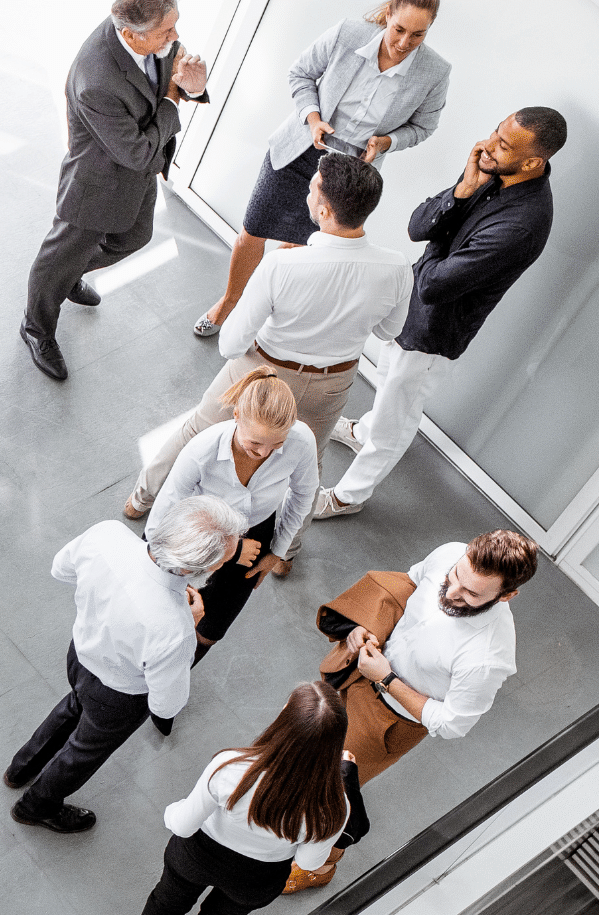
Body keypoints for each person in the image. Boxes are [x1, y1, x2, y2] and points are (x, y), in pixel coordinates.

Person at [122, 152, 407, 566]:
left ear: (323, 209)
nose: (307, 193)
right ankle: (287, 553)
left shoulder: (282, 264)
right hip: (333, 383)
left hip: (262, 371)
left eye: (312, 189)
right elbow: (389, 332)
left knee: (196, 432)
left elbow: (230, 343)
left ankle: (142, 499)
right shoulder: (396, 267)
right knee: (311, 465)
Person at [316, 108, 566, 520]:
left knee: (399, 411)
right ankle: (363, 432)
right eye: (494, 131)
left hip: (436, 329)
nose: (488, 144)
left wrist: (441, 236)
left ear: (533, 162)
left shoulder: (521, 224)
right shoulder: (491, 173)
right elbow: (418, 227)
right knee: (390, 380)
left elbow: (435, 284)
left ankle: (349, 496)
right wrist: (463, 190)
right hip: (414, 309)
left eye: (504, 145)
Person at [193, 1, 448, 338]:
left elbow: (424, 127)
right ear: (388, 15)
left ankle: (257, 307)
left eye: (418, 34)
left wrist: (387, 142)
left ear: (429, 29)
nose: (403, 43)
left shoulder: (434, 71)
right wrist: (313, 118)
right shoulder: (348, 33)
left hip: (347, 176)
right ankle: (230, 301)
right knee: (253, 229)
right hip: (298, 151)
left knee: (302, 248)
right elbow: (300, 74)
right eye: (399, 30)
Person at [297, 530, 533, 888]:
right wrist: (365, 628)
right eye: (456, 577)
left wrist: (387, 679)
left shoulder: (488, 656)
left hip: (386, 721)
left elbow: (452, 724)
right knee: (299, 745)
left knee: (327, 786)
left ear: (508, 595)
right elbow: (410, 582)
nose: (453, 593)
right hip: (354, 673)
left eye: (472, 593)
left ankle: (323, 864)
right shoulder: (451, 553)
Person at [6, 500, 246, 834]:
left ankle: (20, 768)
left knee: (73, 704)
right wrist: (189, 625)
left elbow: (61, 569)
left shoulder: (107, 535)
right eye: (224, 559)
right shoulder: (175, 629)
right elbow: (167, 704)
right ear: (191, 570)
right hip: (117, 696)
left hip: (79, 656)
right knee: (84, 751)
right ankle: (37, 806)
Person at [127, 682, 369, 915]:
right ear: (336, 744)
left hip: (198, 854)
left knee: (167, 900)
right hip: (258, 878)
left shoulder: (230, 766)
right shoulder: (333, 805)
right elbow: (308, 864)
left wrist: (171, 810)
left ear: (284, 716)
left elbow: (183, 825)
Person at [20, 0, 210, 382]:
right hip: (97, 182)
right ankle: (36, 328)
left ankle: (69, 275)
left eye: (175, 27)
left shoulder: (153, 34)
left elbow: (173, 77)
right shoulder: (96, 80)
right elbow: (137, 152)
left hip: (139, 171)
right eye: (166, 33)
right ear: (129, 35)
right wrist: (174, 101)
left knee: (136, 237)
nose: (176, 39)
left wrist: (195, 88)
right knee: (59, 255)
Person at [143, 369, 318, 663]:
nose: (264, 453)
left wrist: (277, 551)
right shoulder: (201, 451)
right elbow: (160, 525)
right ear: (236, 414)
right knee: (165, 614)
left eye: (277, 445)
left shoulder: (301, 441)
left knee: (212, 629)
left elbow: (303, 495)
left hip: (258, 530)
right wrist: (230, 549)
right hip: (199, 533)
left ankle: (181, 669)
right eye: (255, 444)